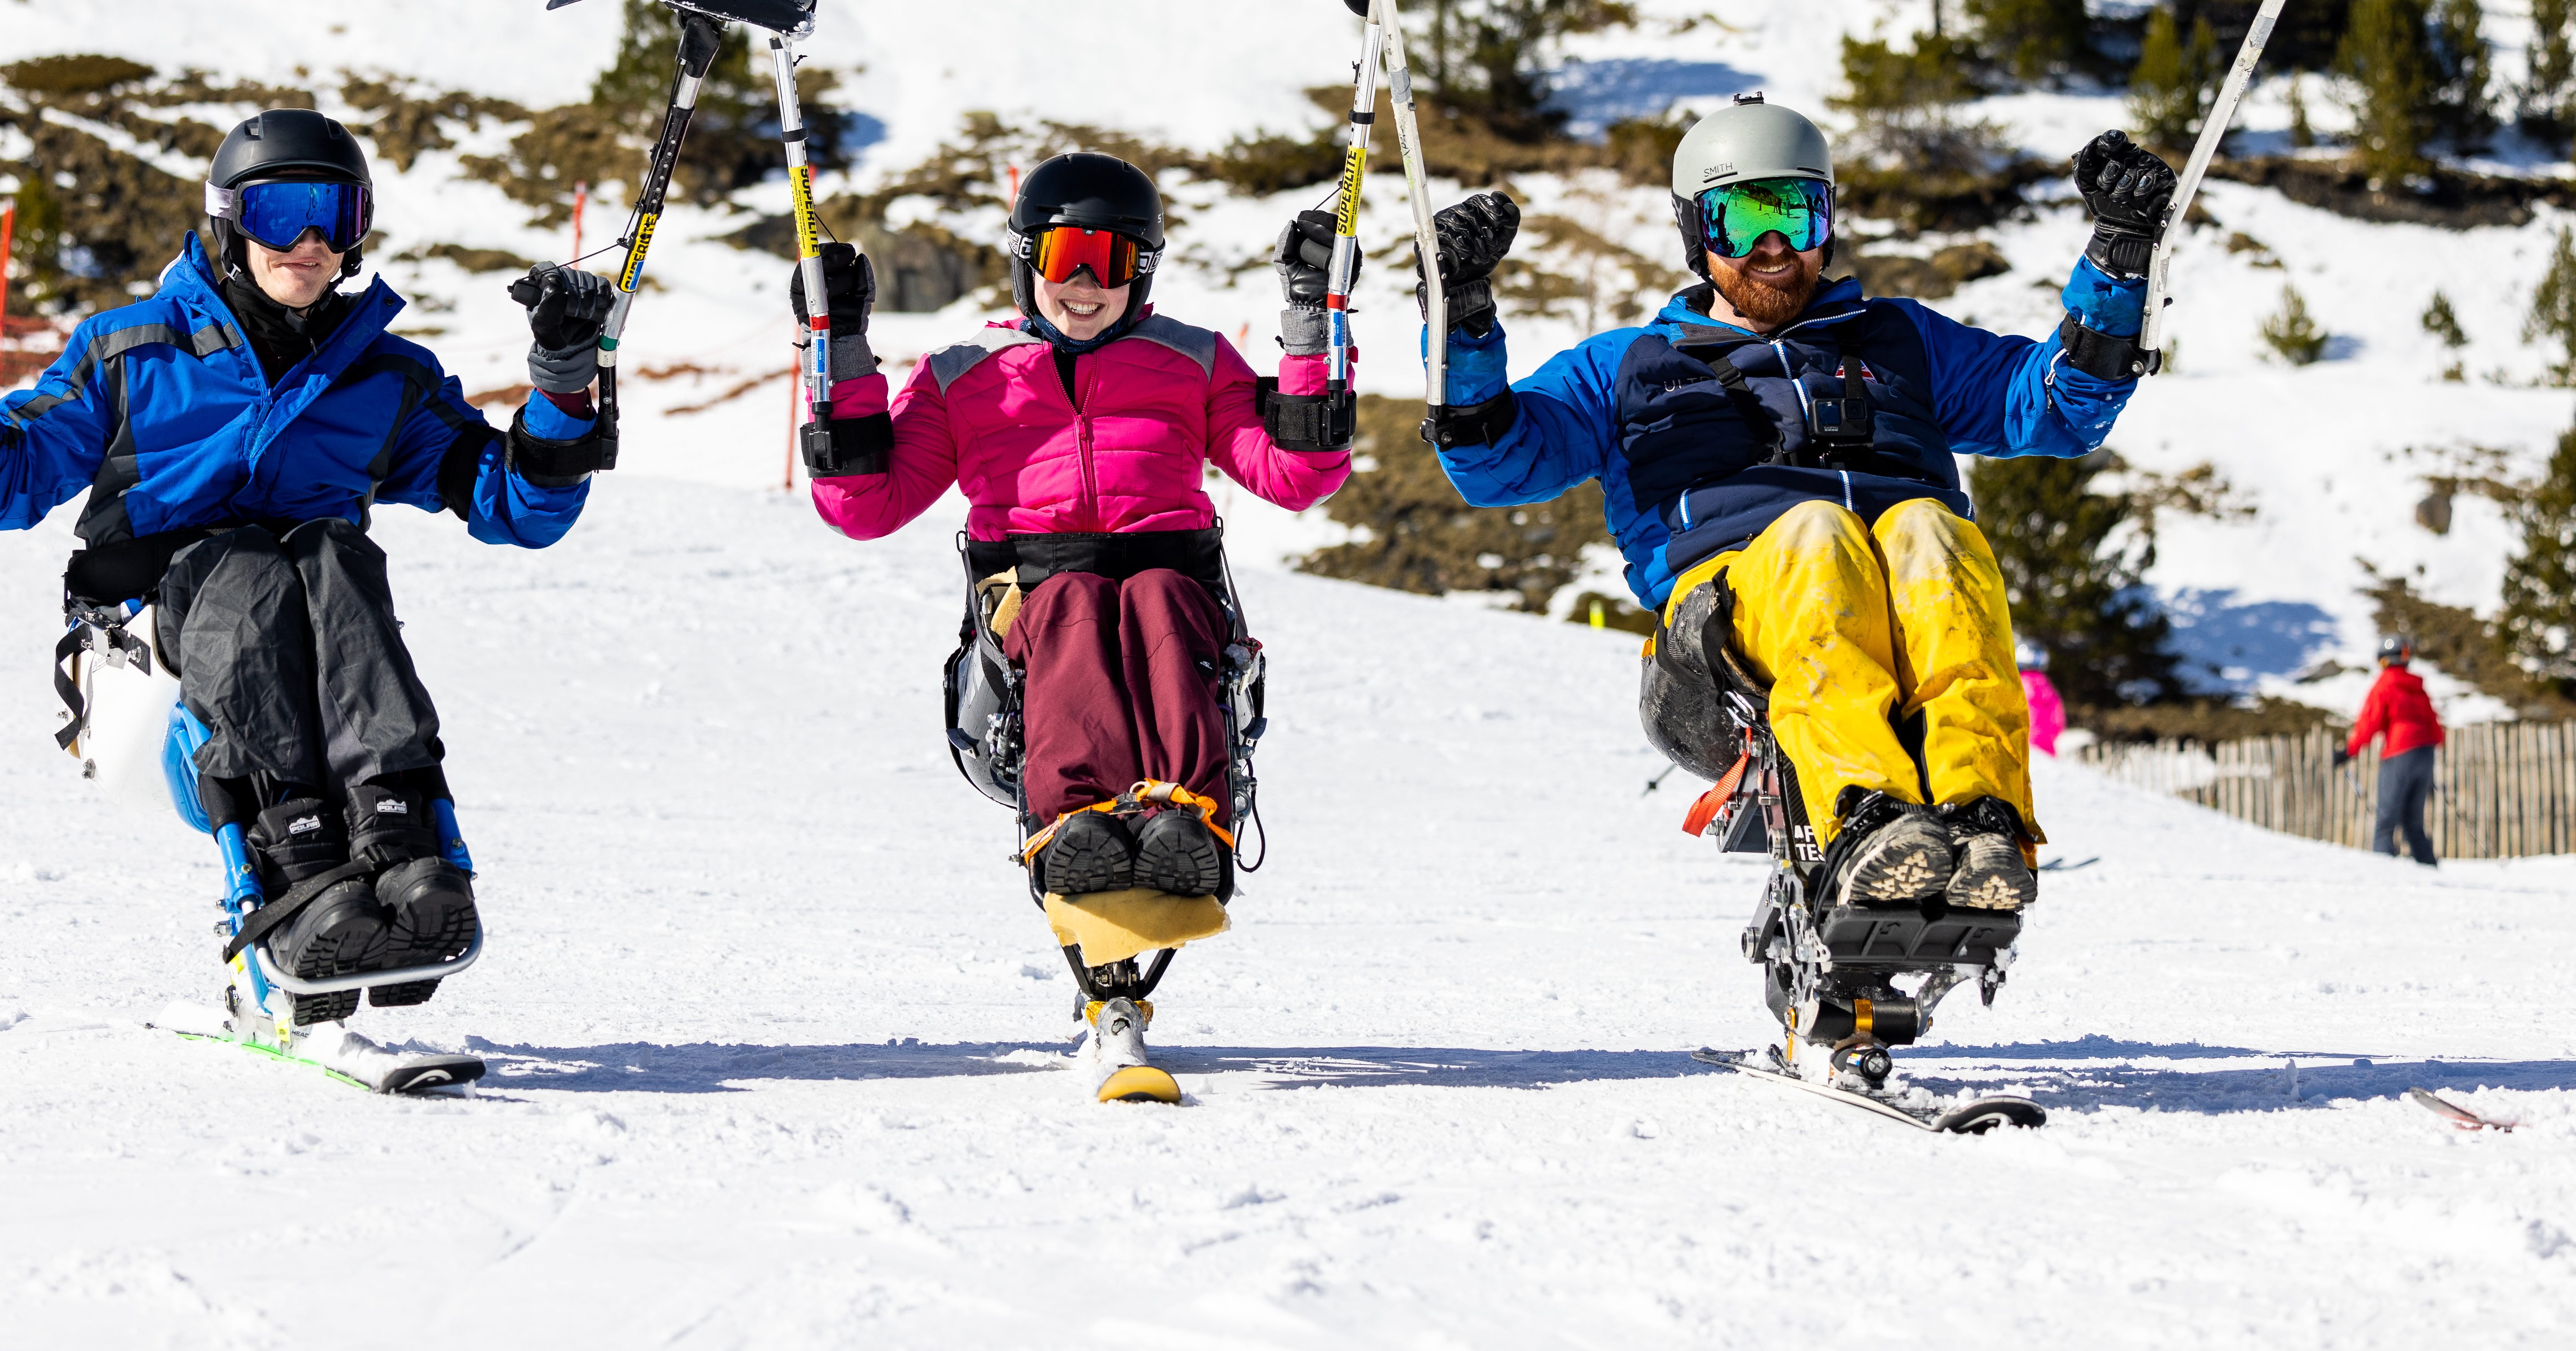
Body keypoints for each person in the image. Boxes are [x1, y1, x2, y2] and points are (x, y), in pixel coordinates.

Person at [0, 109, 619, 1004]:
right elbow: (5, 486)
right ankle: (292, 866)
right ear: (230, 220)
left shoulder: (383, 377)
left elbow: (516, 504)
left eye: (339, 215)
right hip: (141, 654)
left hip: (313, 643)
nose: (311, 242)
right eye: (282, 213)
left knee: (331, 553)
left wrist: (563, 381)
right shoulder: (131, 349)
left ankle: (405, 848)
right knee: (243, 559)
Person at [1412, 95, 2174, 912]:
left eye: (1796, 215)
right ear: (1696, 230)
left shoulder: (1898, 340)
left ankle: (1980, 816)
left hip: (1893, 610)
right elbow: (1497, 463)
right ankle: (1864, 814)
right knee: (1815, 530)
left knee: (1931, 528)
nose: (1773, 248)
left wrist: (2118, 264)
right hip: (1721, 640)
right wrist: (1460, 314)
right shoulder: (1627, 367)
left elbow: (2056, 406)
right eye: (1743, 220)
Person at [793, 152, 1358, 901]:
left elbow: (1293, 476)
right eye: (1067, 258)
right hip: (1032, 590)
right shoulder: (964, 374)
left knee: (1155, 596)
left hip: (1172, 578)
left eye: (1112, 261)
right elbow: (865, 507)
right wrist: (841, 344)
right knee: (1073, 603)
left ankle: (1190, 823)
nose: (1086, 286)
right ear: (1027, 260)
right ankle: (1072, 827)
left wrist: (1311, 327)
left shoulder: (1192, 359)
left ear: (1144, 271)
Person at [2344, 634, 2443, 866]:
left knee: (2386, 822)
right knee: (2413, 823)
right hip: (2426, 754)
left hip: (2399, 753)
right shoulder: (2418, 688)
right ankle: (2430, 871)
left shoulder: (2385, 685)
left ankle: (2383, 874)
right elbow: (2435, 727)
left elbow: (2371, 722)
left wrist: (2350, 751)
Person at [2019, 642, 2066, 755]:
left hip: (2024, 741)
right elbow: (2058, 719)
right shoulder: (2047, 686)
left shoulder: (2019, 684)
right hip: (2048, 744)